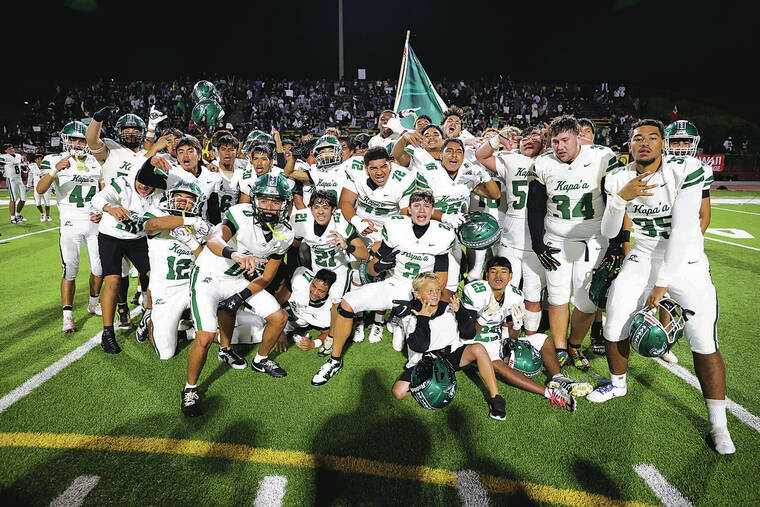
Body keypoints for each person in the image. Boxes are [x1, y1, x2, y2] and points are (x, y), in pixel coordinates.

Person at [588, 119, 735, 455]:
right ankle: (618, 384)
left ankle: (719, 425)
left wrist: (662, 285)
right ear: (629, 145)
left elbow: (684, 229)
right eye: (638, 138)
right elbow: (610, 232)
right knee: (613, 324)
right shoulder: (618, 178)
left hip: (687, 260)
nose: (645, 143)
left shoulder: (686, 169)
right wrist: (618, 200)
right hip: (642, 255)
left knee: (702, 341)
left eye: (653, 138)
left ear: (662, 144)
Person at [310, 189, 455, 387]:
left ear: (432, 210)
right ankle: (334, 361)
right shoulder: (396, 227)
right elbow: (370, 269)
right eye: (417, 206)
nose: (422, 210)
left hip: (422, 292)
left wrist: (418, 303)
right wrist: (379, 266)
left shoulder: (442, 234)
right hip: (395, 283)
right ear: (409, 210)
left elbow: (440, 281)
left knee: (418, 352)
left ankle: (414, 348)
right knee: (347, 303)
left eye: (427, 206)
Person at [181, 173, 293, 417]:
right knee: (205, 336)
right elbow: (214, 239)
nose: (269, 207)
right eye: (264, 200)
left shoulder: (285, 232)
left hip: (238, 280)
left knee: (279, 318)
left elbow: (266, 277)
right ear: (254, 200)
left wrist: (240, 297)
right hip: (209, 275)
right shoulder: (240, 213)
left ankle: (260, 359)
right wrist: (234, 254)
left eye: (276, 202)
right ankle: (190, 389)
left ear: (285, 204)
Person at [527, 115, 622, 370]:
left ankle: (575, 344)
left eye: (565, 140)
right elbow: (534, 208)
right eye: (555, 141)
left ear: (579, 137)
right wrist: (538, 244)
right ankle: (559, 347)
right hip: (556, 238)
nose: (559, 147)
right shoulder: (543, 163)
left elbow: (617, 203)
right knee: (557, 297)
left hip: (594, 238)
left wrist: (616, 244)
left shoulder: (601, 157)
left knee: (588, 300)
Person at [459, 257, 592, 410]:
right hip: (474, 343)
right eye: (493, 272)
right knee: (495, 361)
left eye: (504, 272)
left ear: (511, 276)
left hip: (496, 338)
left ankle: (558, 378)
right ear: (486, 275)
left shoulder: (515, 295)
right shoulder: (474, 292)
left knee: (542, 339)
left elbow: (513, 338)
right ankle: (550, 393)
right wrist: (484, 317)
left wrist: (517, 324)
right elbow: (466, 333)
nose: (498, 276)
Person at [390, 272, 507, 421]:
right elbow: (420, 346)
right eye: (429, 291)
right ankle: (434, 380)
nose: (435, 294)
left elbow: (469, 334)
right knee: (398, 392)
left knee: (478, 348)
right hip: (423, 361)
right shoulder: (411, 315)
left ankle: (496, 397)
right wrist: (423, 319)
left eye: (438, 290)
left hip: (448, 358)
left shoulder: (450, 308)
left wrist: (460, 312)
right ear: (417, 294)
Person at [339, 146, 416, 345]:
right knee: (357, 273)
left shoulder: (404, 178)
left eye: (384, 167)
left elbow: (406, 215)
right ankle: (357, 319)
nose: (380, 172)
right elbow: (345, 202)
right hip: (361, 224)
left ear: (390, 164)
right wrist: (358, 222)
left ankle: (378, 322)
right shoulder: (354, 169)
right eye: (374, 168)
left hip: (391, 229)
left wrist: (385, 242)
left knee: (386, 274)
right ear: (365, 169)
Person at [476, 125, 545, 335]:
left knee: (533, 294)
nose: (528, 140)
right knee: (505, 291)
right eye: (524, 138)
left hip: (538, 239)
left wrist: (548, 136)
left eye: (535, 138)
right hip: (511, 236)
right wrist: (500, 137)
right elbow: (481, 155)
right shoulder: (512, 159)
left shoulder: (550, 161)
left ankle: (531, 339)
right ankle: (505, 336)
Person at [37, 122, 105, 333]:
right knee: (70, 269)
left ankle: (93, 303)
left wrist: (102, 211)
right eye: (73, 139)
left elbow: (103, 190)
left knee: (99, 267)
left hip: (94, 221)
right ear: (66, 140)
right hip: (70, 223)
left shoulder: (96, 161)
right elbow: (40, 189)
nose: (77, 143)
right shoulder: (54, 159)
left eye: (81, 140)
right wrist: (56, 169)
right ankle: (67, 314)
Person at [90, 159, 159, 353]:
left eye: (150, 183)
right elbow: (97, 199)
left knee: (154, 277)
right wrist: (109, 208)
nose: (144, 185)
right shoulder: (123, 183)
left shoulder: (160, 194)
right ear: (135, 177)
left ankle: (149, 319)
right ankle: (107, 333)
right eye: (141, 180)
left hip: (137, 238)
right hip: (111, 237)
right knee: (113, 281)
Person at [289, 190, 369, 351]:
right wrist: (290, 270)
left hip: (339, 269)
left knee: (335, 296)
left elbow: (364, 254)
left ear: (333, 210)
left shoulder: (340, 222)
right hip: (317, 270)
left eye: (325, 207)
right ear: (310, 208)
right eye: (316, 207)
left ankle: (331, 337)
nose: (320, 211)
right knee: (298, 285)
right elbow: (294, 247)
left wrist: (347, 246)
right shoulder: (301, 220)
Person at [143, 180, 210, 359]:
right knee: (165, 353)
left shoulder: (200, 225)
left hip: (195, 287)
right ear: (170, 198)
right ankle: (150, 318)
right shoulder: (157, 215)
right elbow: (153, 226)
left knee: (218, 332)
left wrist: (192, 240)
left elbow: (207, 262)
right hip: (167, 290)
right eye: (178, 196)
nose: (182, 201)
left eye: (188, 198)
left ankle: (185, 328)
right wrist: (190, 220)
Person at [1, 144, 28, 223]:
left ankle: (18, 215)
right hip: (11, 179)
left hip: (19, 179)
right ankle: (12, 218)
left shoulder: (18, 156)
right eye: (9, 149)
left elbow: (20, 165)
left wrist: (23, 167)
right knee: (13, 198)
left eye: (12, 148)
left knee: (23, 199)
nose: (12, 149)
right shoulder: (5, 156)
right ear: (5, 151)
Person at [28, 153, 52, 221]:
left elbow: (50, 176)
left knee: (47, 202)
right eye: (39, 159)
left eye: (42, 159)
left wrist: (52, 186)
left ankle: (48, 215)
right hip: (36, 187)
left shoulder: (46, 165)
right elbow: (30, 177)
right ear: (35, 160)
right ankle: (42, 214)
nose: (41, 160)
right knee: (38, 203)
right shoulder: (32, 166)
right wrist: (29, 186)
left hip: (46, 186)